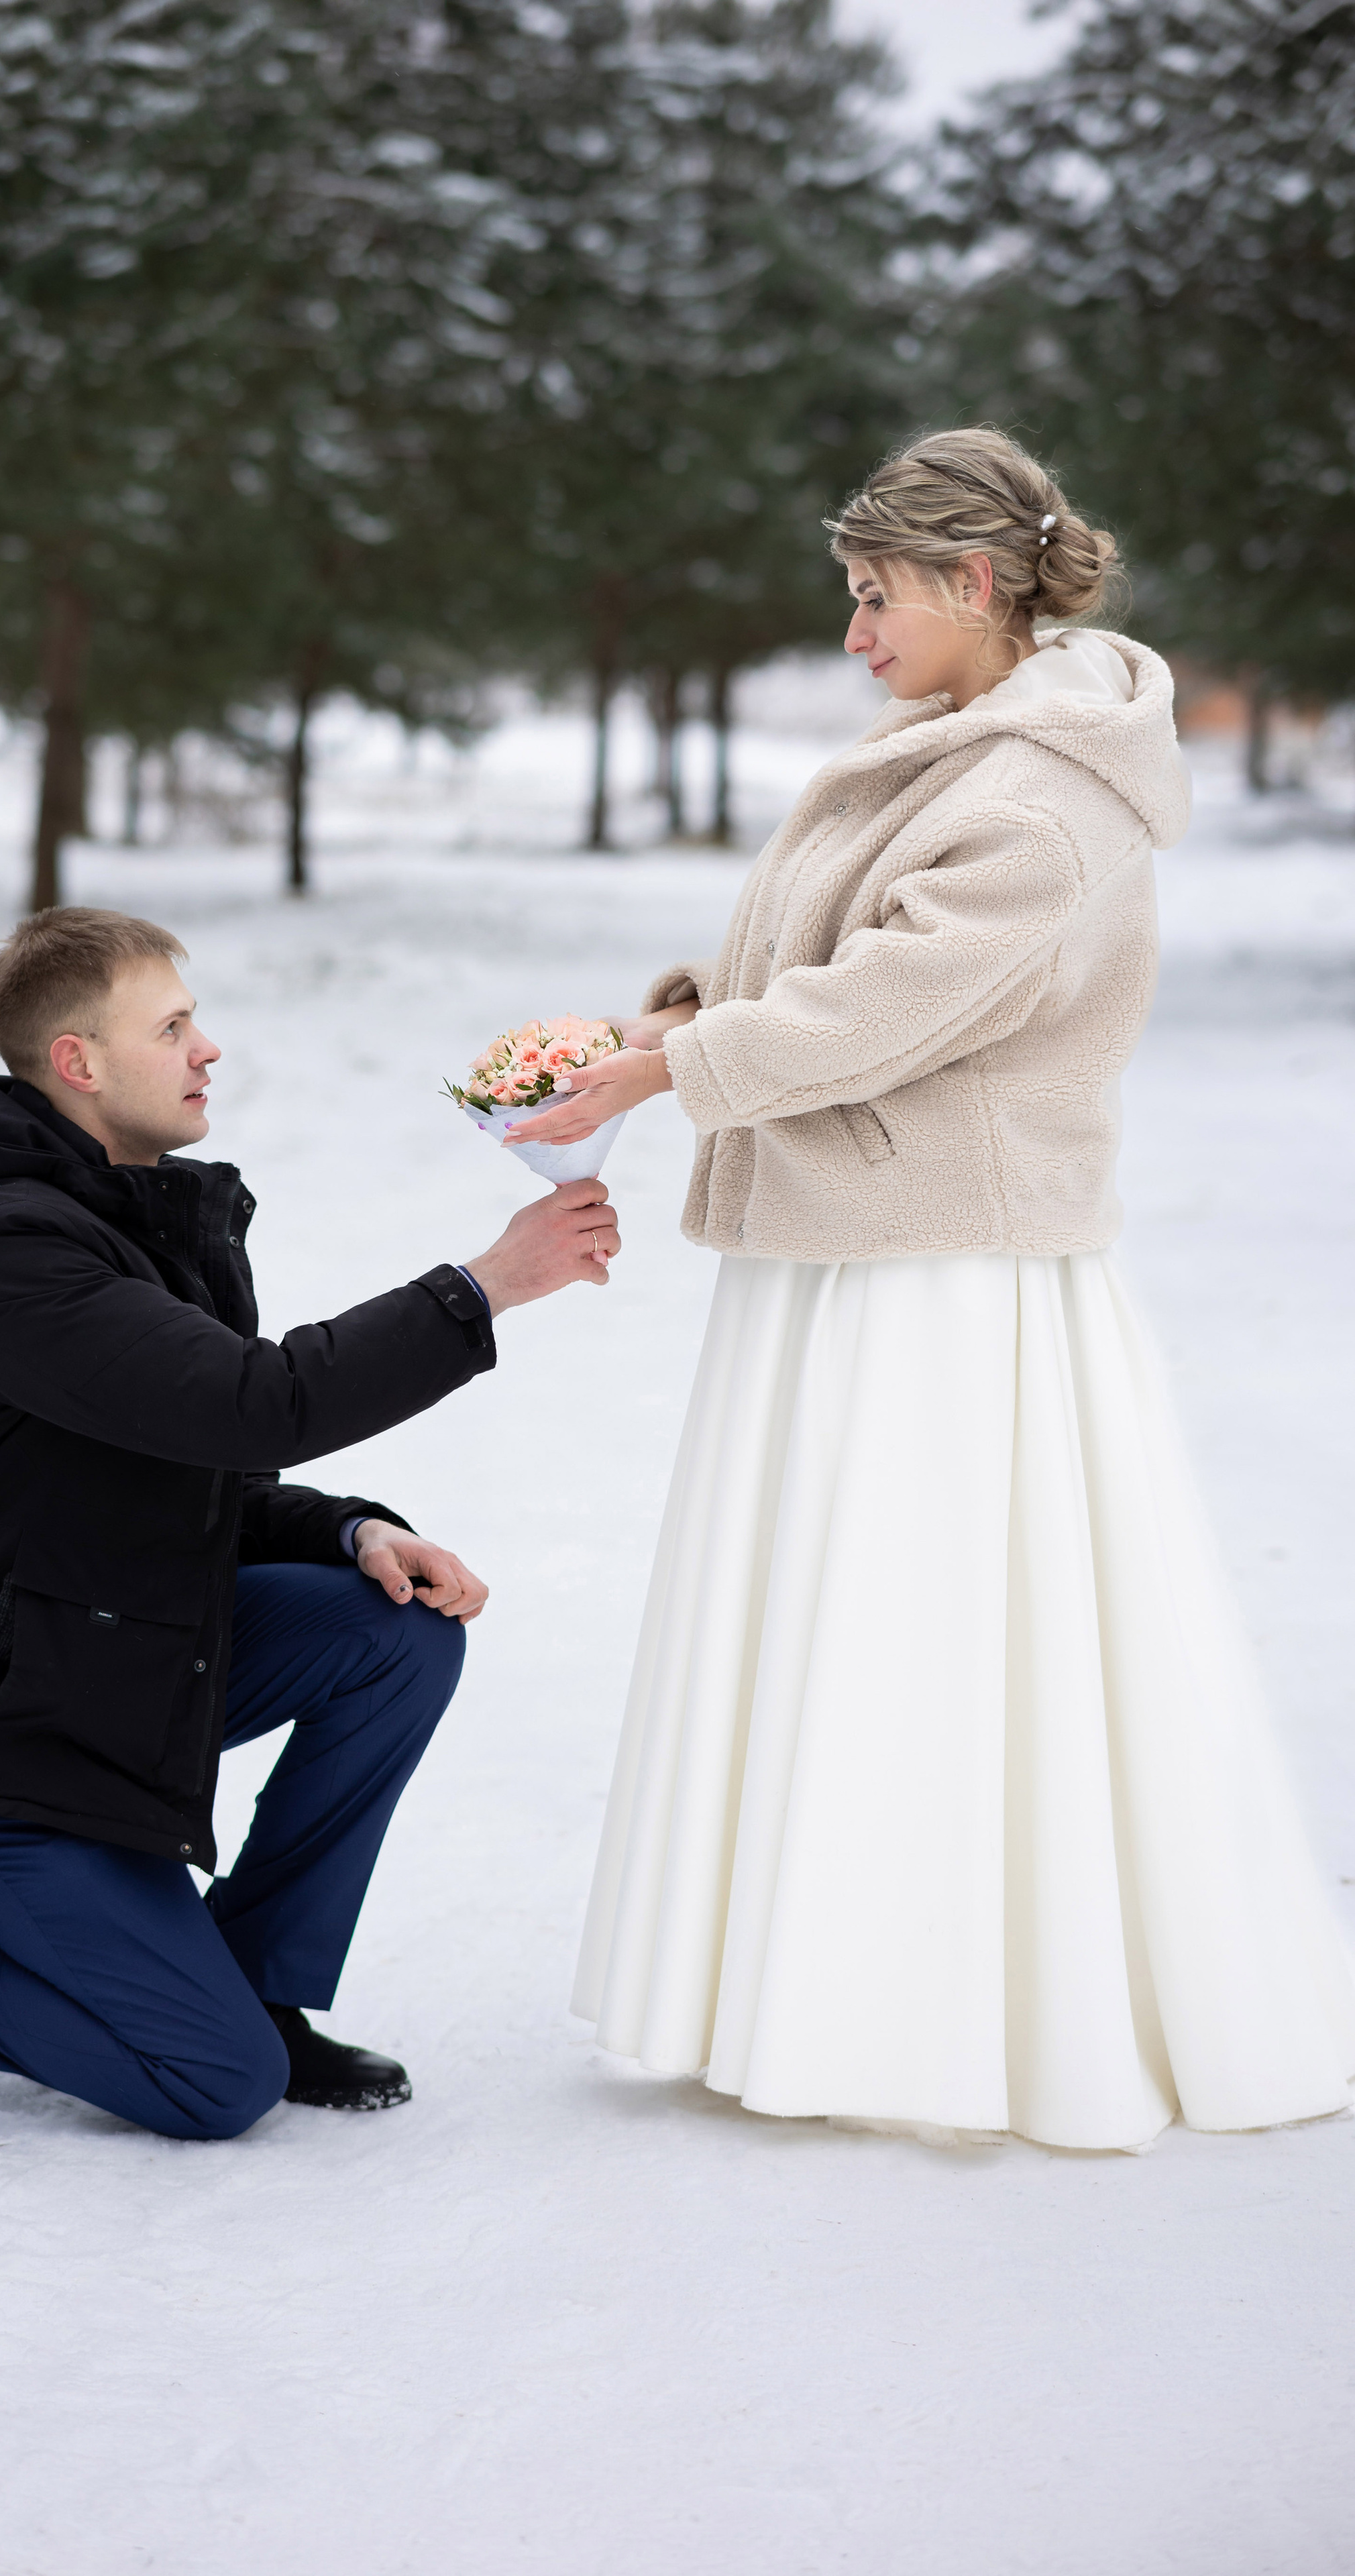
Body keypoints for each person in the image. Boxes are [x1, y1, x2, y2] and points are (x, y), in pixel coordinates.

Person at [512, 426, 1355, 2151]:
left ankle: (923, 2020)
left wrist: (669, 1078)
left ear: (975, 587)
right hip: (859, 1240)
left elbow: (891, 1005)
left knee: (924, 1630)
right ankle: (811, 1988)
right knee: (849, 1615)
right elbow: (826, 964)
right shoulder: (962, 743)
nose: (853, 635)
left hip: (941, 1278)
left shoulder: (1043, 793)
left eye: (876, 596)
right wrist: (674, 1029)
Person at [0, 907, 620, 2139]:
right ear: (80, 1062)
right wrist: (486, 1286)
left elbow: (202, 1470)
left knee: (392, 1631)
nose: (209, 1051)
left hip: (85, 1657)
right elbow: (257, 1405)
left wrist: (351, 1533)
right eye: (176, 1026)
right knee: (211, 2083)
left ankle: (258, 1988)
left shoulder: (121, 1211)